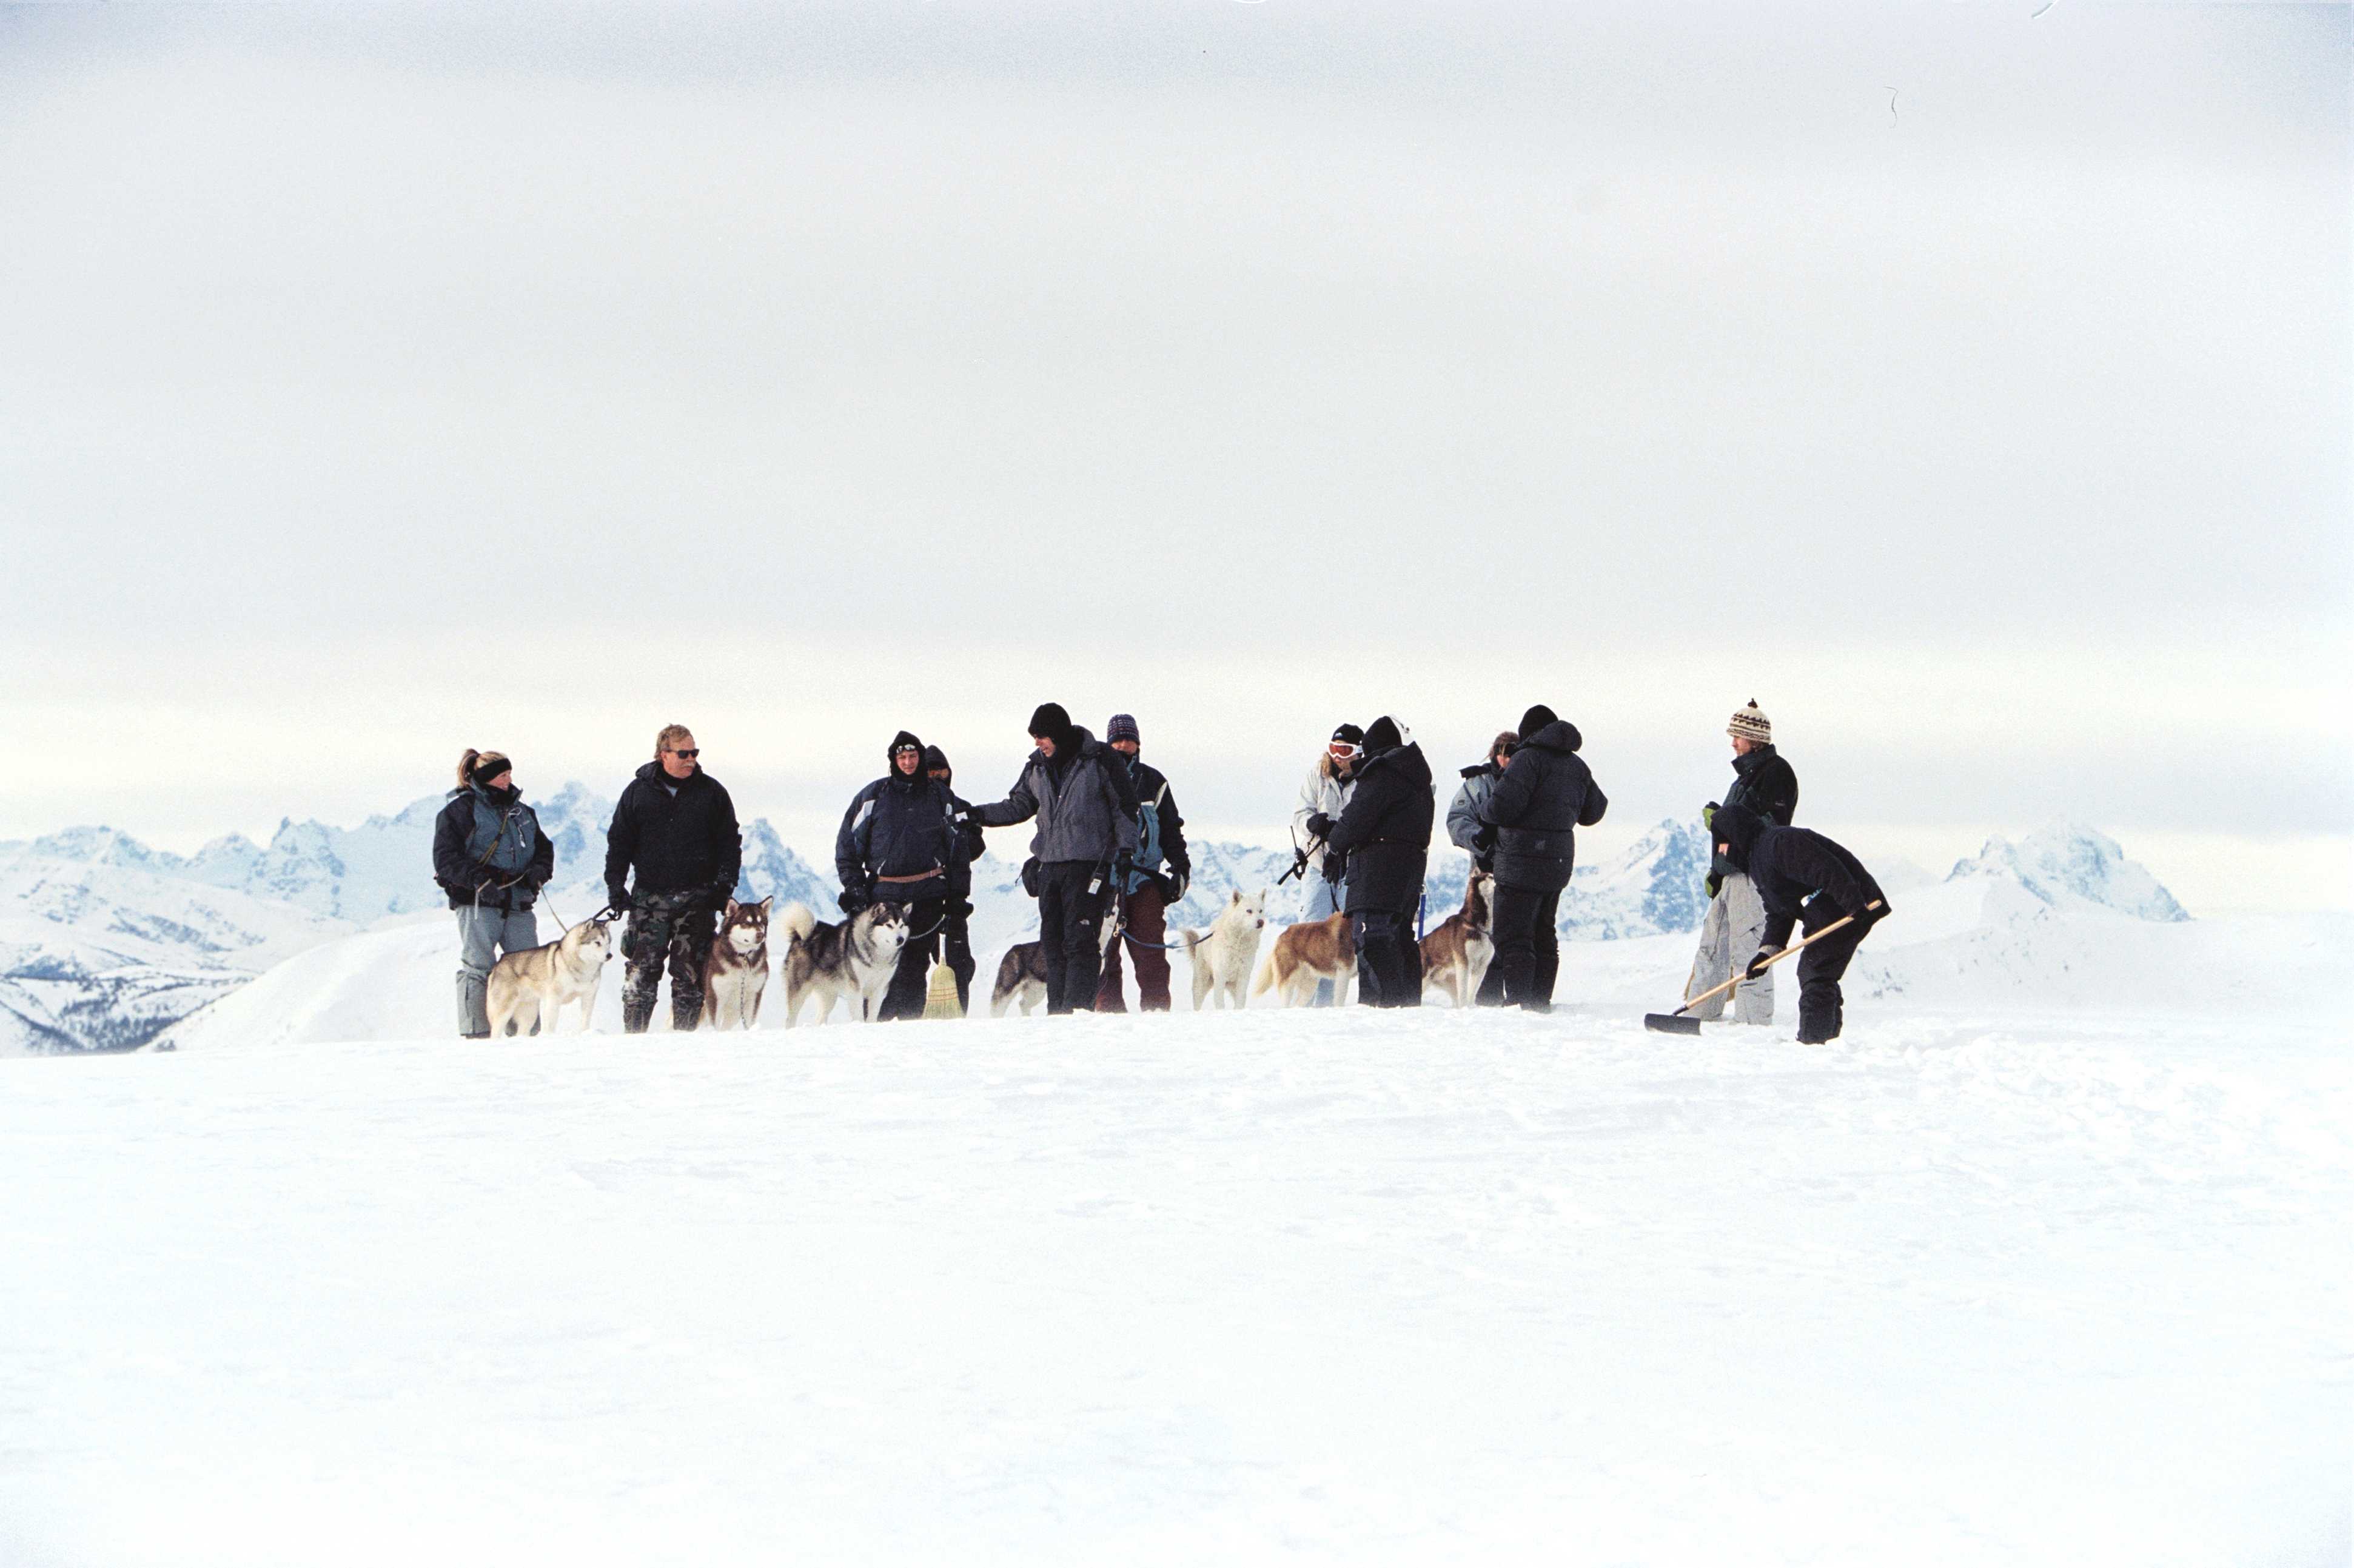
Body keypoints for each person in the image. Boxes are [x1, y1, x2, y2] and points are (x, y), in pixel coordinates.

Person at [964, 703, 1140, 1014]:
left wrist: (1126, 850)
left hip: (1088, 866)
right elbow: (1018, 805)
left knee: (1081, 942)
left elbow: (1124, 806)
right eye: (1034, 737)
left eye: (1041, 736)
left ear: (1058, 733)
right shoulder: (1037, 767)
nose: (1037, 743)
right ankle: (1057, 1014)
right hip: (1049, 867)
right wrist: (978, 815)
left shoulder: (1099, 760)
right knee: (1053, 944)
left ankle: (1078, 1013)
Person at [604, 724, 743, 1033]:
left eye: (695, 752)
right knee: (641, 975)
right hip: (649, 899)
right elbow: (619, 843)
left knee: (691, 979)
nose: (691, 759)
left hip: (698, 900)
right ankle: (634, 1039)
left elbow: (729, 843)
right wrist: (616, 886)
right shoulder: (637, 793)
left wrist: (724, 885)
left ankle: (683, 1043)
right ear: (663, 754)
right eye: (684, 753)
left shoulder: (712, 793)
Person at [1711, 802, 1886, 1045]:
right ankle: (1825, 1040)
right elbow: (1778, 911)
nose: (1720, 850)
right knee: (1817, 971)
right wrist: (1766, 953)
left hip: (1853, 906)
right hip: (1828, 909)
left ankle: (1815, 1041)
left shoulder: (1779, 843)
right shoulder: (1758, 861)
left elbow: (1827, 869)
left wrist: (1854, 904)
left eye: (1722, 842)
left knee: (1816, 970)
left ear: (1734, 834)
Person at [1478, 705, 1607, 1013]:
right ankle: (1539, 1001)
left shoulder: (1527, 759)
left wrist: (1485, 811)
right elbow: (1595, 811)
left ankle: (1521, 1002)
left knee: (1513, 935)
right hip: (1559, 860)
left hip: (1521, 859)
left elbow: (1502, 808)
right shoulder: (1577, 765)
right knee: (1543, 932)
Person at [1685, 700, 1801, 1025]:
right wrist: (1718, 867)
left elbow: (1766, 826)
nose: (1733, 743)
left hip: (1754, 875)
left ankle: (1754, 1022)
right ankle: (1700, 1012)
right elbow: (1738, 825)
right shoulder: (1745, 777)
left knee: (1749, 949)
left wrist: (1720, 820)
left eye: (1738, 736)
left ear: (1754, 738)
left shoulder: (1777, 773)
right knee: (1713, 946)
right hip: (1731, 874)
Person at [1304, 715, 1432, 1007]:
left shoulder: (1382, 772)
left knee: (1373, 939)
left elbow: (1357, 819)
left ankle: (1380, 1008)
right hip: (1410, 867)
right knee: (1401, 938)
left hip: (1377, 872)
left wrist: (1335, 841)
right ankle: (1407, 1006)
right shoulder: (1417, 776)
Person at [836, 730, 962, 1021]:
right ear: (894, 760)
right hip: (884, 898)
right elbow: (847, 846)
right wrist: (854, 889)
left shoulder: (940, 796)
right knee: (880, 969)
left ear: (920, 757)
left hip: (929, 894)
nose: (908, 762)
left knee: (915, 966)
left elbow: (958, 847)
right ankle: (876, 1030)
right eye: (902, 757)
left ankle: (909, 1031)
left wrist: (957, 895)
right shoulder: (873, 796)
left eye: (913, 756)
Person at [432, 749, 555, 1038]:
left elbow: (544, 848)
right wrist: (480, 883)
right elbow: (446, 859)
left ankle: (525, 1032)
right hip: (477, 902)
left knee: (527, 968)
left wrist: (539, 873)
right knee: (478, 966)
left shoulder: (523, 812)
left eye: (509, 774)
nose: (508, 780)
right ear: (485, 778)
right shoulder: (459, 812)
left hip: (519, 901)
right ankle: (477, 1033)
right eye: (502, 775)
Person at [1094, 713, 1193, 1013]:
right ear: (1108, 743)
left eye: (1129, 739)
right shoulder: (1095, 777)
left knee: (1151, 955)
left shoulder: (1154, 781)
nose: (1124, 745)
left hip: (1143, 878)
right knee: (1104, 957)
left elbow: (1171, 829)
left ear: (1138, 743)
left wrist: (1180, 867)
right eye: (1117, 740)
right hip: (1104, 880)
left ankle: (1157, 1017)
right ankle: (1110, 1021)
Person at [1291, 723, 1362, 1005]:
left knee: (1344, 937)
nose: (1338, 756)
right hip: (1318, 863)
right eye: (1334, 749)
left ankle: (1331, 1004)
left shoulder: (1366, 779)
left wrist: (1343, 839)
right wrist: (1311, 824)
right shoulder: (1317, 775)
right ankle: (1305, 1002)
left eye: (1344, 750)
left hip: (1350, 866)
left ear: (1357, 752)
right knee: (1311, 931)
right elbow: (1300, 812)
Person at [1446, 731, 1517, 1006]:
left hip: (1519, 868)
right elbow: (1457, 818)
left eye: (1510, 751)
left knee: (1514, 932)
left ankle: (1519, 997)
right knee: (1482, 930)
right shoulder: (1478, 784)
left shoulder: (1531, 781)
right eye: (1499, 751)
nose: (1503, 757)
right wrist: (1477, 839)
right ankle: (1485, 997)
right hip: (1484, 872)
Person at [923, 744, 984, 1013]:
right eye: (930, 771)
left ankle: (957, 1015)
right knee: (913, 966)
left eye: (941, 770)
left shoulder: (960, 807)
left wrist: (958, 839)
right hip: (921, 895)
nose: (936, 776)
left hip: (953, 898)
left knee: (959, 963)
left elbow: (977, 846)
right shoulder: (911, 810)